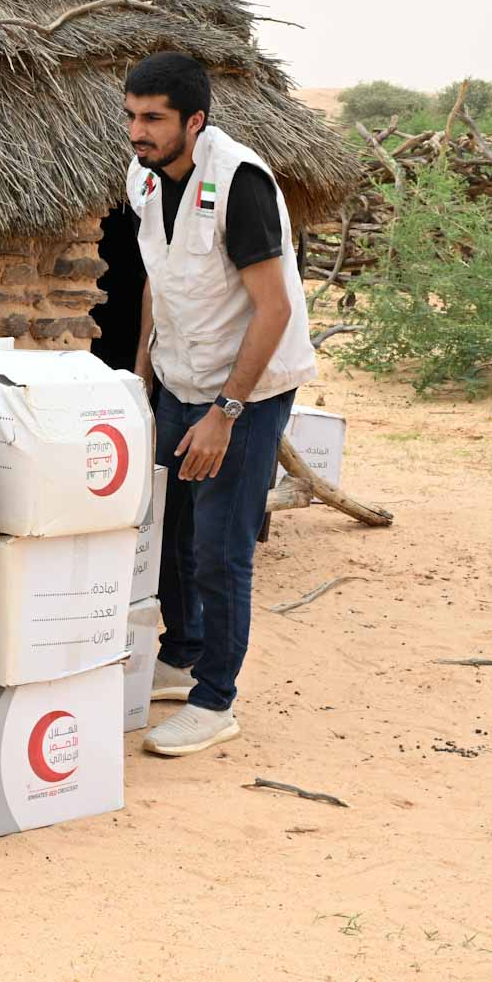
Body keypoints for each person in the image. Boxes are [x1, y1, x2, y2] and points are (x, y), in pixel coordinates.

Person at [122, 52, 318, 757]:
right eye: (132, 115)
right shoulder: (144, 179)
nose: (137, 131)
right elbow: (158, 279)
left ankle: (215, 699)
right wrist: (139, 378)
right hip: (180, 376)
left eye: (153, 118)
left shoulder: (241, 182)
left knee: (221, 547)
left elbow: (273, 308)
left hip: (248, 390)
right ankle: (185, 653)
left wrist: (226, 413)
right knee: (171, 530)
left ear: (194, 120)